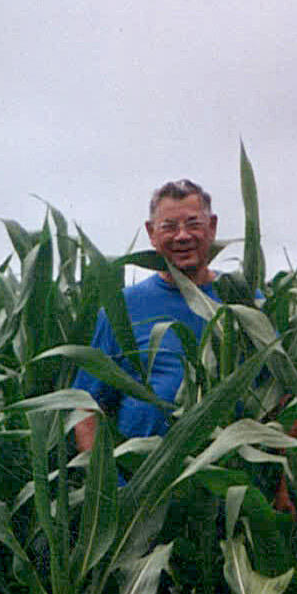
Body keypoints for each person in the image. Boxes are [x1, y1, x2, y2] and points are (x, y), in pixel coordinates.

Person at [72, 179, 223, 451]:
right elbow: (86, 407)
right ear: (151, 233)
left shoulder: (243, 300)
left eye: (193, 224)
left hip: (231, 470)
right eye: (169, 227)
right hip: (144, 473)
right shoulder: (121, 309)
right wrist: (102, 475)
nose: (182, 236)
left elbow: (278, 393)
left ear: (211, 227)